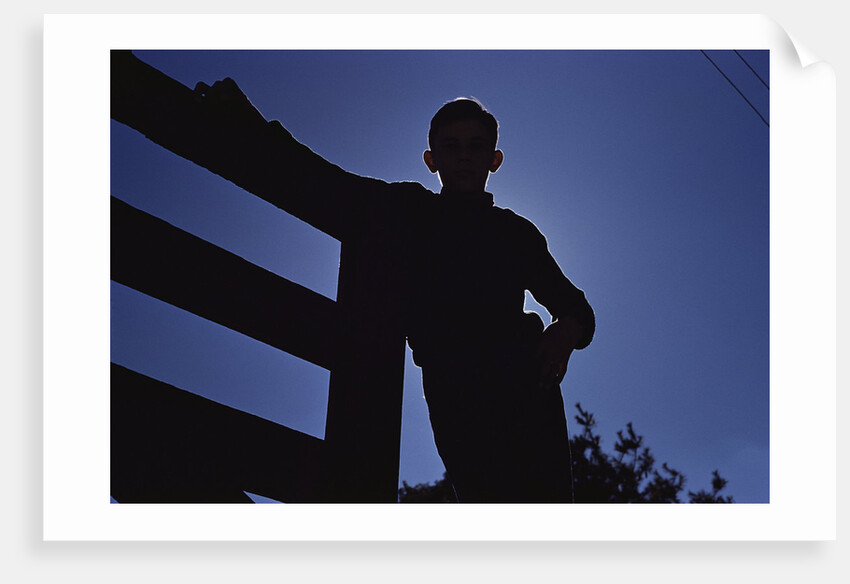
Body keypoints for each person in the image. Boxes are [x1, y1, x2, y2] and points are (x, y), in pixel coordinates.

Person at [195, 80, 595, 502]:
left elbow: (578, 308)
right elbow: (325, 182)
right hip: (456, 390)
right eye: (451, 146)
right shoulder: (408, 210)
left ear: (494, 159)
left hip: (528, 390)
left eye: (476, 146)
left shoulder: (517, 234)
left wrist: (565, 330)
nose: (463, 155)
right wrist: (252, 124)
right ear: (431, 160)